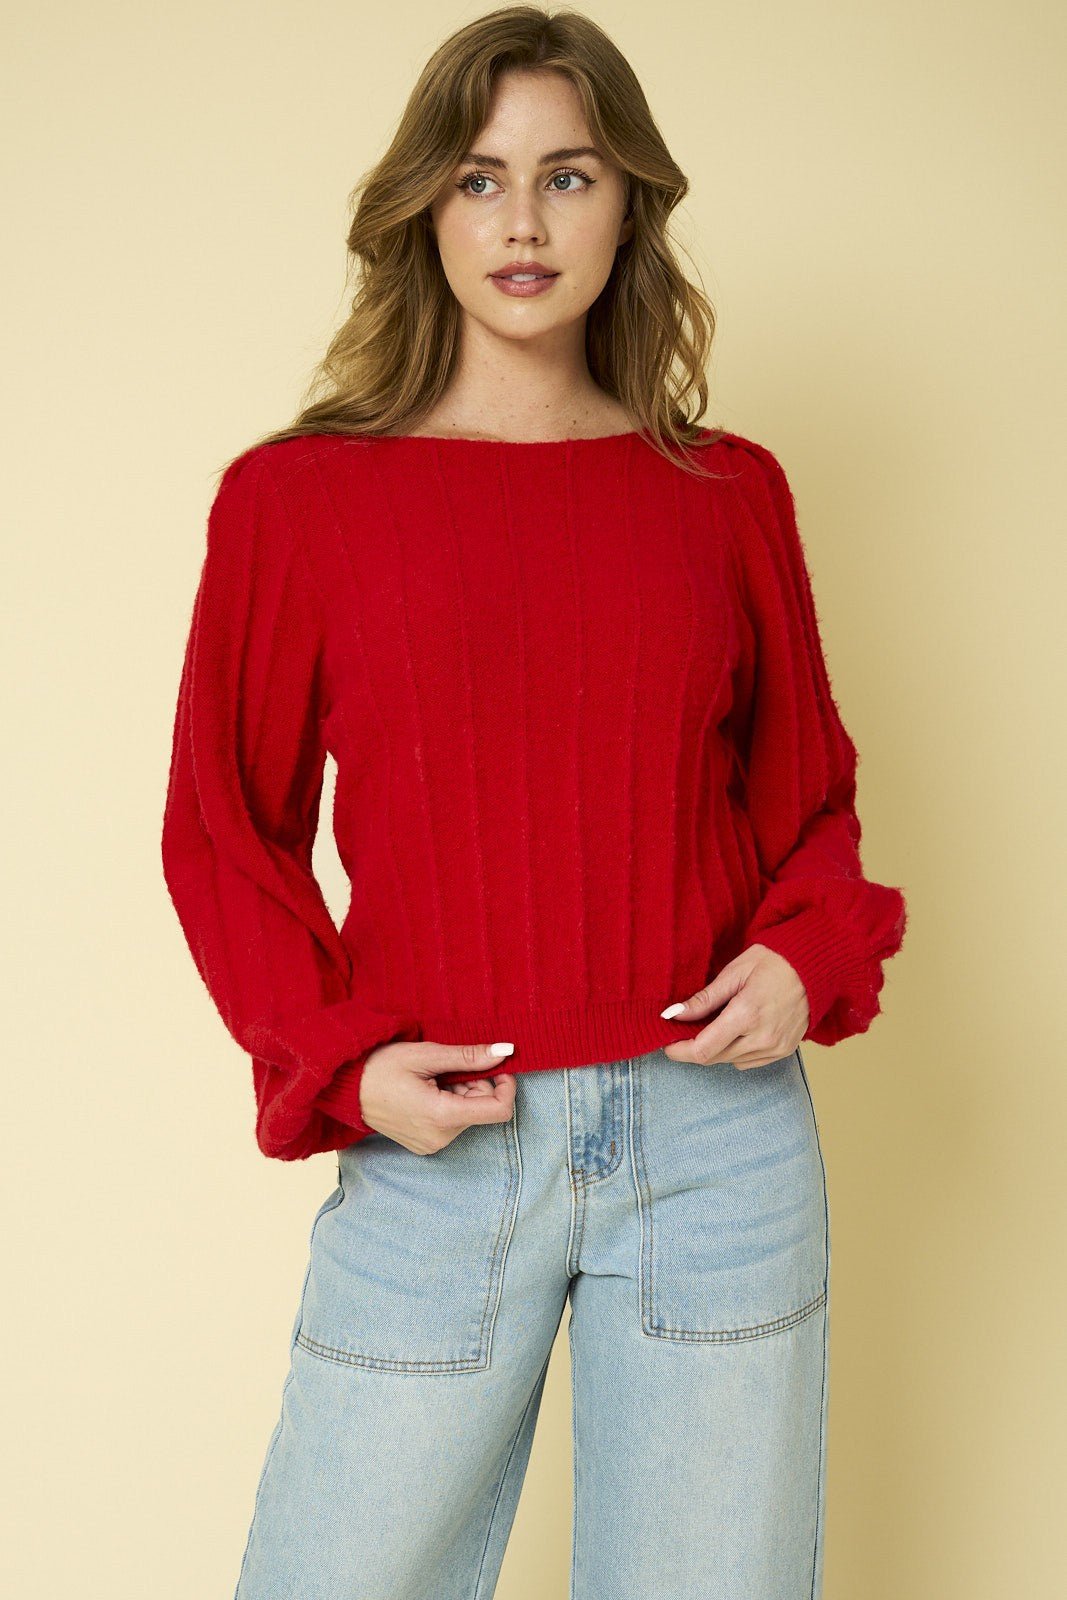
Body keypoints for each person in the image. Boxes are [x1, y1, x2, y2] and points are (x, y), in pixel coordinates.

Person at [160, 8, 908, 1598]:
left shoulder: (727, 495)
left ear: (628, 205)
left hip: (718, 1147)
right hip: (445, 1154)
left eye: (567, 176)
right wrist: (342, 1063)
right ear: (424, 210)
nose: (521, 222)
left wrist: (803, 954)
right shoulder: (299, 501)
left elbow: (812, 812)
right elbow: (225, 830)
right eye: (478, 178)